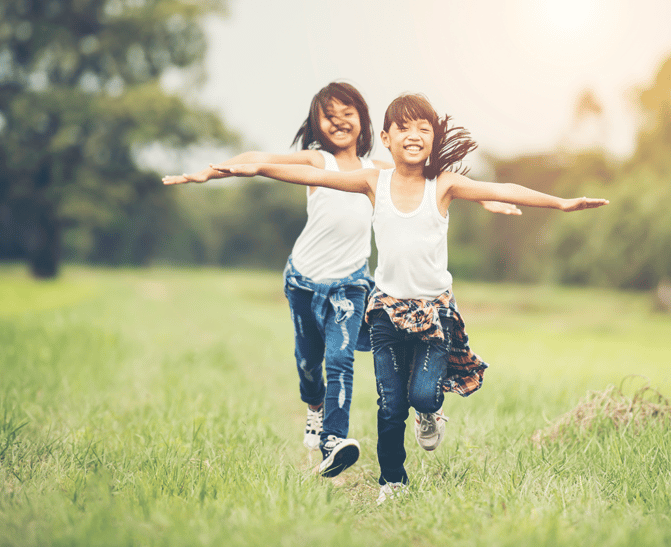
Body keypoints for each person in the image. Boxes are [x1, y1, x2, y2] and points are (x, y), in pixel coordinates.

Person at [212, 93, 608, 503]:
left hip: (434, 313)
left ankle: (430, 412)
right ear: (386, 137)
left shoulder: (444, 185)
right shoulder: (373, 181)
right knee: (389, 405)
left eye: (424, 128)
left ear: (434, 138)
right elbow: (316, 178)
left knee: (420, 395)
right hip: (384, 311)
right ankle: (393, 483)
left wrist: (560, 202)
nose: (414, 135)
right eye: (403, 128)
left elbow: (502, 186)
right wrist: (258, 167)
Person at [163, 83, 517, 478]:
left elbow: (434, 184)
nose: (339, 121)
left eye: (347, 112)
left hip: (351, 282)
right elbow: (260, 159)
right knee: (308, 363)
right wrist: (212, 172)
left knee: (340, 358)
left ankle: (333, 440)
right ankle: (314, 408)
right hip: (303, 280)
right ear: (316, 124)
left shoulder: (380, 169)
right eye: (328, 115)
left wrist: (485, 197)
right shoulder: (318, 162)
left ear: (364, 121)